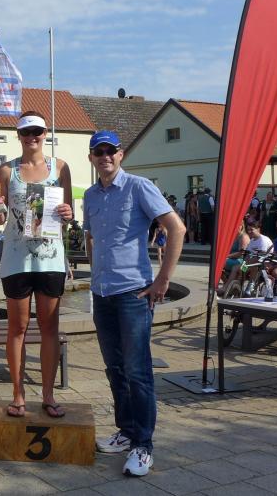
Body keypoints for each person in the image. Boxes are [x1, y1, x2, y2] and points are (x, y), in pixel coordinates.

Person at [83, 130, 185, 477]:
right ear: (91, 158)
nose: (105, 157)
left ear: (120, 154)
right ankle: (126, 431)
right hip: (102, 294)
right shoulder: (90, 195)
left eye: (110, 151)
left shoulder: (139, 187)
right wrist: (93, 273)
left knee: (138, 372)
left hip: (132, 293)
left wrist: (163, 279)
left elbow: (176, 229)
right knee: (115, 369)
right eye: (98, 152)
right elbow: (90, 236)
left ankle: (144, 444)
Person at [0, 112, 73, 419]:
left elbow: (69, 215)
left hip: (50, 258)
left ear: (45, 133)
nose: (32, 137)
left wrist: (67, 213)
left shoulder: (60, 168)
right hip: (16, 259)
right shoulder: (6, 171)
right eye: (26, 132)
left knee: (49, 328)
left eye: (37, 131)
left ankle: (48, 395)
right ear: (19, 135)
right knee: (18, 328)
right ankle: (18, 395)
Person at [219, 222, 251, 290]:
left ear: (241, 226)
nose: (234, 227)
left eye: (237, 226)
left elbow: (241, 253)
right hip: (233, 259)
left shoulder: (243, 237)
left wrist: (227, 256)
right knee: (216, 264)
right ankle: (228, 285)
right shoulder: (233, 237)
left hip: (242, 260)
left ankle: (227, 286)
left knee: (220, 263)